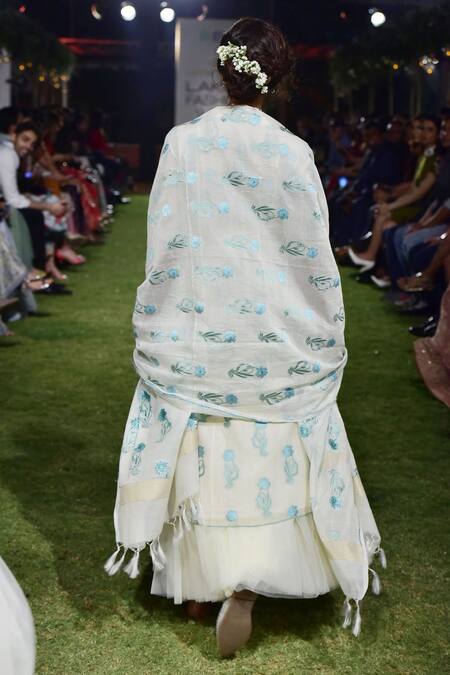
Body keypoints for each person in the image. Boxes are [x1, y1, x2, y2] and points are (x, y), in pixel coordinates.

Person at [105, 17, 385, 657]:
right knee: (269, 444)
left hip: (205, 331)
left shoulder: (183, 143)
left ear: (221, 73)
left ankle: (201, 583)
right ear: (279, 79)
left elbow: (166, 239)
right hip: (272, 333)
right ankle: (257, 575)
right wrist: (315, 316)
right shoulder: (292, 152)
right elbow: (310, 249)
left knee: (206, 440)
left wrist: (163, 306)